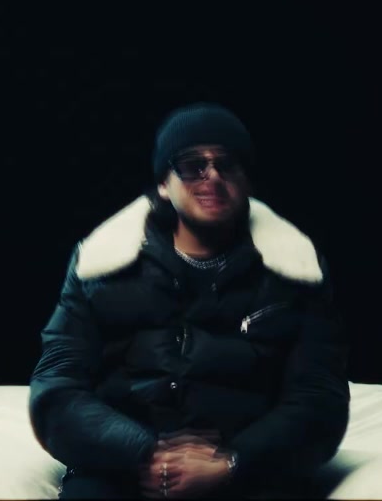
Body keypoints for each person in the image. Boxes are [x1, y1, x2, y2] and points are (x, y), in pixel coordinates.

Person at [29, 102, 350, 499]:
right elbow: (57, 390)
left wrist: (232, 463)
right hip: (122, 466)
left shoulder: (298, 272)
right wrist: (144, 453)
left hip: (251, 468)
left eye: (226, 164)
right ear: (164, 184)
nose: (211, 176)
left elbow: (319, 398)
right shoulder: (98, 267)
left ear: (247, 180)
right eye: (191, 165)